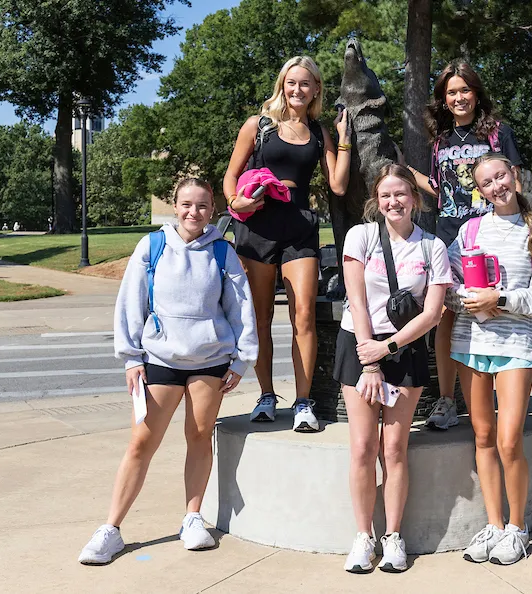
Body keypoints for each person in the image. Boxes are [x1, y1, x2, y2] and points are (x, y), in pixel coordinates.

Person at [78, 178, 259, 565]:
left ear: (214, 210)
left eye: (203, 206)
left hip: (209, 362)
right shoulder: (153, 246)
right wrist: (131, 357)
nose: (194, 212)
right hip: (159, 361)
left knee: (198, 437)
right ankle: (111, 529)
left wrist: (242, 360)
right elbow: (131, 302)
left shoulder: (223, 253)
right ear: (175, 207)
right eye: (186, 204)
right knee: (141, 444)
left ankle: (192, 518)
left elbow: (241, 309)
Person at [224, 56, 350, 433]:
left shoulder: (318, 131)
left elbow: (338, 185)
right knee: (260, 317)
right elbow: (230, 176)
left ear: (316, 90)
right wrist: (235, 203)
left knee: (304, 318)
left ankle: (303, 402)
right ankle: (265, 395)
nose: (298, 90)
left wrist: (343, 140)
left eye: (306, 84)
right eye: (292, 82)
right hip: (257, 225)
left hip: (299, 226)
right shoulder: (258, 125)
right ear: (283, 84)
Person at [335, 164, 451, 573]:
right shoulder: (361, 236)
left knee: (395, 448)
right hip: (361, 344)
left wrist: (388, 348)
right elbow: (357, 298)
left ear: (414, 199)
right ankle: (364, 536)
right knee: (364, 447)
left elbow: (433, 313)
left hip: (404, 349)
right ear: (376, 201)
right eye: (385, 195)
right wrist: (370, 361)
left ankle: (394, 537)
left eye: (401, 194)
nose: (393, 201)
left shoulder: (431, 247)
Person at [448, 153, 532, 565]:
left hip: (516, 343)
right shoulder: (469, 230)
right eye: (487, 182)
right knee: (482, 437)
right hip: (471, 340)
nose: (497, 186)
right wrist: (470, 300)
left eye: (501, 176)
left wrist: (503, 299)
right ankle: (494, 525)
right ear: (480, 190)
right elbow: (448, 284)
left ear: (514, 175)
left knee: (509, 440)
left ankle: (518, 528)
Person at [404, 61, 524, 431]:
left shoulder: (497, 133)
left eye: (465, 90)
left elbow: (513, 183)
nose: (459, 98)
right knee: (444, 316)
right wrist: (408, 174)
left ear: (476, 93)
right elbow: (442, 189)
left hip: (489, 235)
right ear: (443, 98)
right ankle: (446, 399)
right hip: (447, 236)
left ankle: (495, 394)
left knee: (490, 310)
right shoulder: (440, 139)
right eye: (451, 92)